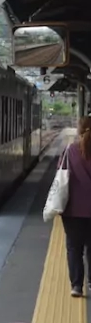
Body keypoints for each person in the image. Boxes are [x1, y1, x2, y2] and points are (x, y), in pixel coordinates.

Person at [61, 117, 91, 296]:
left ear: (79, 130)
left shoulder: (70, 151)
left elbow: (61, 176)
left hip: (73, 210)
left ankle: (77, 286)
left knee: (74, 248)